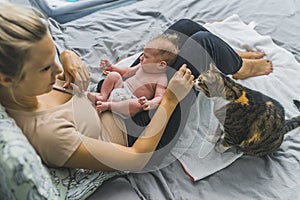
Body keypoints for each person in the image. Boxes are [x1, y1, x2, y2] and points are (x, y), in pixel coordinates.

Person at [0, 2, 193, 171]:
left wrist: (67, 54)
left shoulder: (28, 86)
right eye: (45, 68)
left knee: (183, 28)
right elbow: (136, 159)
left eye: (53, 57)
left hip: (110, 96)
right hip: (137, 132)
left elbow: (56, 68)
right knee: (202, 45)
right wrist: (170, 100)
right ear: (7, 79)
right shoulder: (48, 134)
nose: (58, 69)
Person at [88, 33, 179, 117]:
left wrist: (149, 103)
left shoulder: (161, 79)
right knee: (114, 75)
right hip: (121, 88)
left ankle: (109, 106)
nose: (141, 58)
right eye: (143, 54)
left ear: (161, 65)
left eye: (146, 56)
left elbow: (159, 97)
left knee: (137, 105)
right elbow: (127, 71)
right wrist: (112, 68)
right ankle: (103, 97)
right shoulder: (142, 66)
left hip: (130, 101)